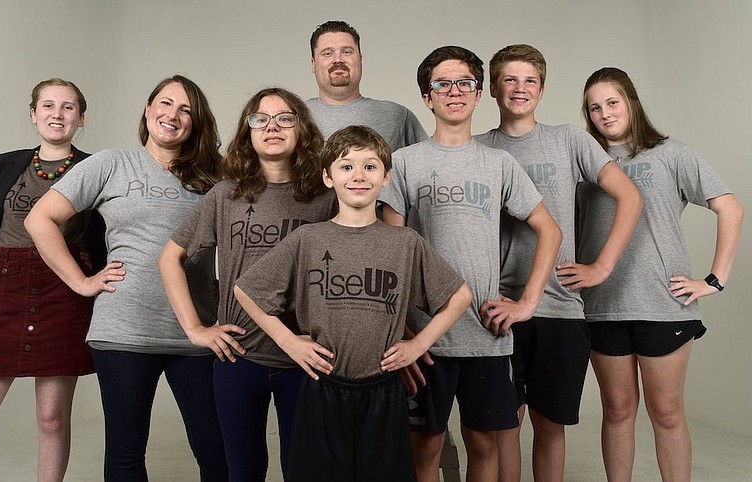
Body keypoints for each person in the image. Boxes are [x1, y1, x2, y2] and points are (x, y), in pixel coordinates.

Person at [233, 125, 473, 481]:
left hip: (384, 389)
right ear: (328, 178)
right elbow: (246, 289)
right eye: (346, 167)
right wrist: (288, 341)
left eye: (370, 167)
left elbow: (460, 296)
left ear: (386, 178)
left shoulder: (404, 242)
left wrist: (420, 343)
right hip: (322, 387)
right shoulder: (309, 239)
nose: (358, 176)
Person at [24, 75, 228, 481]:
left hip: (198, 330)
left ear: (197, 122)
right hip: (124, 330)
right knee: (126, 450)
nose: (173, 115)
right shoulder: (111, 164)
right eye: (165, 104)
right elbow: (40, 219)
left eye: (185, 109)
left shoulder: (217, 177)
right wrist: (82, 282)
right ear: (148, 110)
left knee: (216, 446)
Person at [379, 46, 562, 482]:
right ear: (428, 97)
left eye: (465, 83)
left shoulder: (499, 163)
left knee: (483, 443)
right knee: (426, 447)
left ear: (479, 94)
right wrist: (403, 327)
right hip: (424, 339)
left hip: (486, 333)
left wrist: (526, 303)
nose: (455, 91)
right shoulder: (405, 163)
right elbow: (390, 248)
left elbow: (550, 231)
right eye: (443, 84)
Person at [474, 45, 643, 482]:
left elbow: (630, 196)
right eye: (509, 79)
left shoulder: (569, 139)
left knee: (550, 424)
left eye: (529, 80)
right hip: (497, 306)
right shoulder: (477, 148)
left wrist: (601, 268)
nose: (520, 88)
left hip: (559, 307)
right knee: (504, 425)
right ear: (493, 88)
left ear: (543, 89)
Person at [159, 87, 337, 481]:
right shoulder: (226, 195)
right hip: (239, 356)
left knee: (304, 469)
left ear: (302, 128)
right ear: (247, 132)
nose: (272, 126)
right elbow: (171, 256)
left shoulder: (327, 197)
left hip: (306, 357)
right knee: (243, 470)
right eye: (260, 119)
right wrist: (195, 328)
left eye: (285, 117)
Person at [579, 67, 743, 482]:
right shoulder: (585, 164)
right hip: (601, 306)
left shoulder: (670, 154)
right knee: (617, 412)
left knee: (666, 413)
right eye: (595, 108)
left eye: (612, 103)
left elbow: (730, 207)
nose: (604, 114)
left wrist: (714, 279)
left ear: (631, 102)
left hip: (663, 305)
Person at [0, 78, 105, 481]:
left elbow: (108, 232)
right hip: (4, 290)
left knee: (52, 419)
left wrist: (92, 272)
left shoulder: (96, 167)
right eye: (49, 106)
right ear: (33, 114)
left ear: (81, 117)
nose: (58, 114)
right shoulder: (4, 163)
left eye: (68, 107)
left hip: (62, 292)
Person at [307, 20, 428, 151]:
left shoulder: (396, 116)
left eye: (346, 52)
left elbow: (428, 163)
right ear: (313, 64)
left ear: (360, 59)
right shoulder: (294, 116)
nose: (338, 59)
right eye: (327, 53)